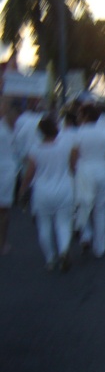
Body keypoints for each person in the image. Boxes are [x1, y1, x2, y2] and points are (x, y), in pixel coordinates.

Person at [18, 114, 75, 272]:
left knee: (44, 226)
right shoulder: (64, 146)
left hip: (42, 191)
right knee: (63, 223)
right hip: (64, 188)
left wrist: (23, 189)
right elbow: (72, 166)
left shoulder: (35, 150)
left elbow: (29, 173)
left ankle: (50, 259)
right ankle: (63, 250)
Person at [71, 103, 105, 258]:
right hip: (102, 170)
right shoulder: (104, 132)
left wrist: (73, 171)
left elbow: (73, 156)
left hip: (85, 171)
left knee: (84, 205)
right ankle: (101, 246)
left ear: (84, 116)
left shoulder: (79, 133)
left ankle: (85, 235)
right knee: (100, 208)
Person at [0, 97, 20, 255]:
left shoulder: (7, 125)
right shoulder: (7, 126)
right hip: (6, 170)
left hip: (6, 170)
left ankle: (2, 243)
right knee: (3, 211)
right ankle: (2, 244)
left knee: (3, 210)